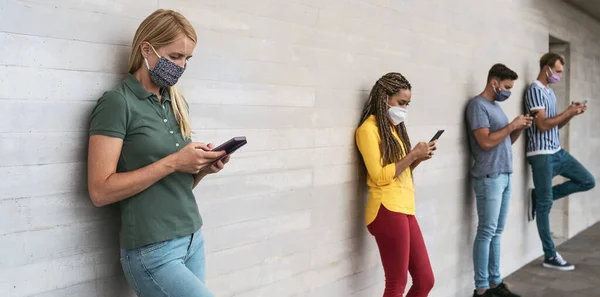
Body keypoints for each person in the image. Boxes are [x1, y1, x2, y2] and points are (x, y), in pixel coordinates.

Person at [87, 9, 229, 297]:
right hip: (152, 250)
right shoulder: (117, 104)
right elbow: (100, 191)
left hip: (192, 237)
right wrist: (175, 161)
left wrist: (201, 168)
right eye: (175, 56)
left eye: (187, 59)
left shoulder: (176, 103)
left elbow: (173, 183)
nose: (182, 66)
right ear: (147, 49)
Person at [355, 72, 436, 297]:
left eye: (408, 104)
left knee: (425, 280)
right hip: (386, 209)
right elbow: (379, 176)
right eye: (401, 103)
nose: (404, 109)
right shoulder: (367, 130)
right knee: (396, 283)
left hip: (404, 208)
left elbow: (399, 171)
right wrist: (411, 156)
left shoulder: (393, 130)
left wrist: (418, 157)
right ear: (384, 98)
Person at [524, 52, 595, 271]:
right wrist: (568, 111)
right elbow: (543, 125)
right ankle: (550, 255)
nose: (559, 76)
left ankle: (541, 196)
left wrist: (572, 114)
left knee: (587, 180)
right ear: (546, 68)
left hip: (557, 152)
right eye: (557, 71)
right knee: (545, 207)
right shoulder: (534, 91)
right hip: (541, 154)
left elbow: (555, 125)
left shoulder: (550, 93)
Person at [466, 64, 530, 297]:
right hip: (488, 176)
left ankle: (495, 283)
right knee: (486, 231)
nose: (508, 92)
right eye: (506, 87)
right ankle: (481, 289)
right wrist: (511, 125)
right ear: (494, 82)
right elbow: (485, 142)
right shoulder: (477, 106)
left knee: (497, 231)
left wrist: (518, 128)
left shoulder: (495, 108)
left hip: (503, 174)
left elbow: (502, 142)